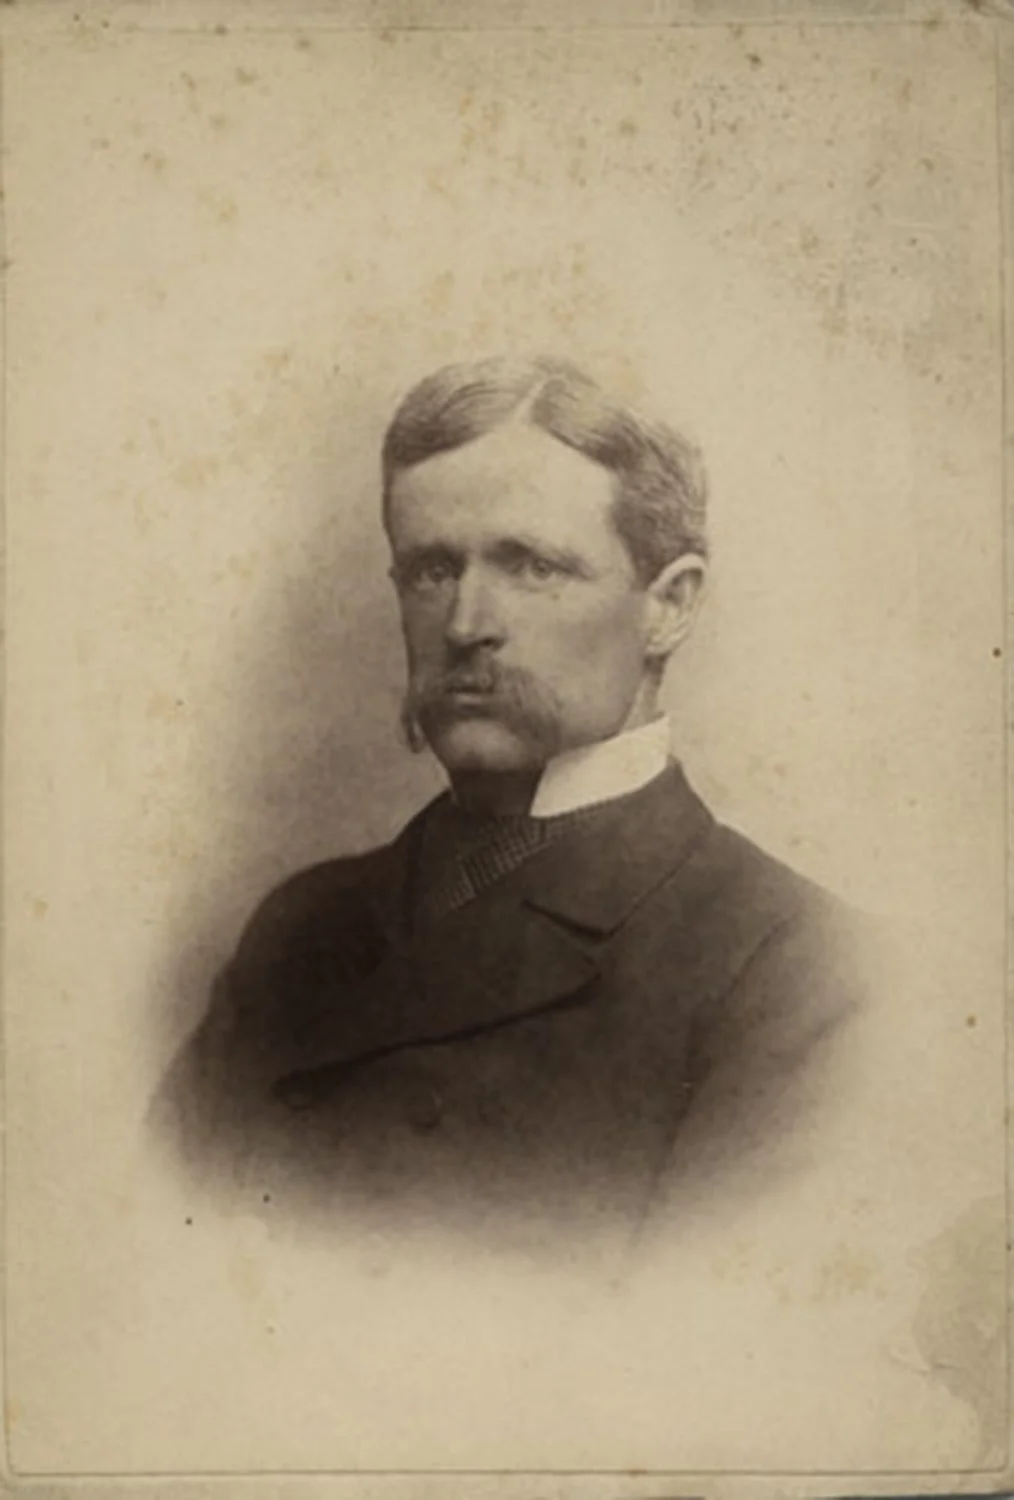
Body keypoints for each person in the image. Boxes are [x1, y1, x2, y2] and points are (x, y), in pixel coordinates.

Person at [158, 355, 875, 1239]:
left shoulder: (801, 969)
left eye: (532, 567)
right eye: (431, 570)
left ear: (669, 606)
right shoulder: (301, 930)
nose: (466, 625)